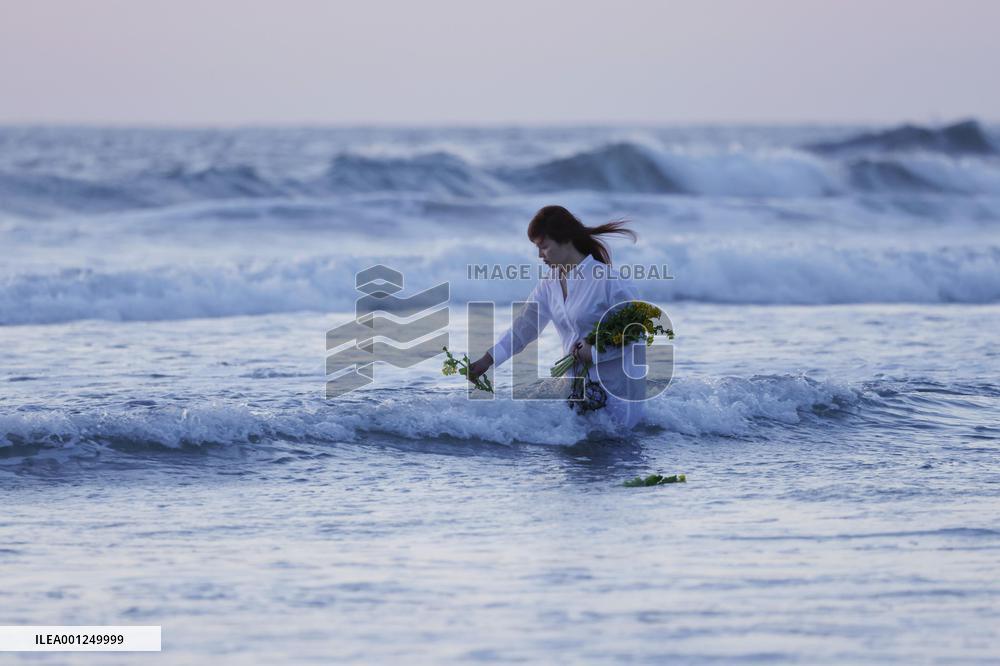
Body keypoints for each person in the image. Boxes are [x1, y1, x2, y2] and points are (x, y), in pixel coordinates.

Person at [467, 205, 648, 429]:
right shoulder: (549, 284)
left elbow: (636, 331)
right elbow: (525, 326)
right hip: (576, 392)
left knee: (607, 454)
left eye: (544, 246)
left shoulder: (608, 281)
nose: (540, 255)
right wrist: (487, 360)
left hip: (617, 395)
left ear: (565, 240)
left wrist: (594, 351)